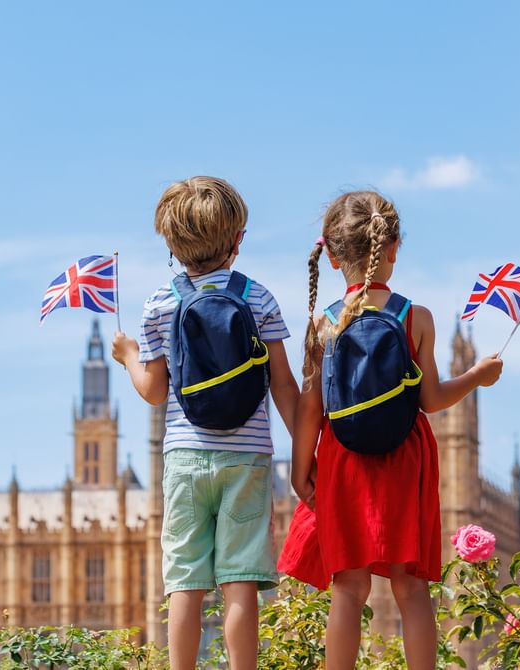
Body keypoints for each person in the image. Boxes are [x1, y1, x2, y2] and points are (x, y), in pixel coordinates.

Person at [278, 190, 503, 670]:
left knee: (349, 587)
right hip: (405, 461)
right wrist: (478, 377)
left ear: (333, 257)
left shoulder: (324, 323)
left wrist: (302, 472)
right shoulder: (414, 317)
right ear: (395, 250)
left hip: (343, 461)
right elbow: (433, 399)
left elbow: (310, 408)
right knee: (411, 587)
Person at [111, 176, 299, 670]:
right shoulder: (258, 298)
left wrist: (129, 355)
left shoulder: (159, 303)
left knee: (186, 583)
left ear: (171, 247)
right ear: (238, 242)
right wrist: (307, 447)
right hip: (248, 457)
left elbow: (153, 391)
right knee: (240, 581)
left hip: (184, 458)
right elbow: (282, 384)